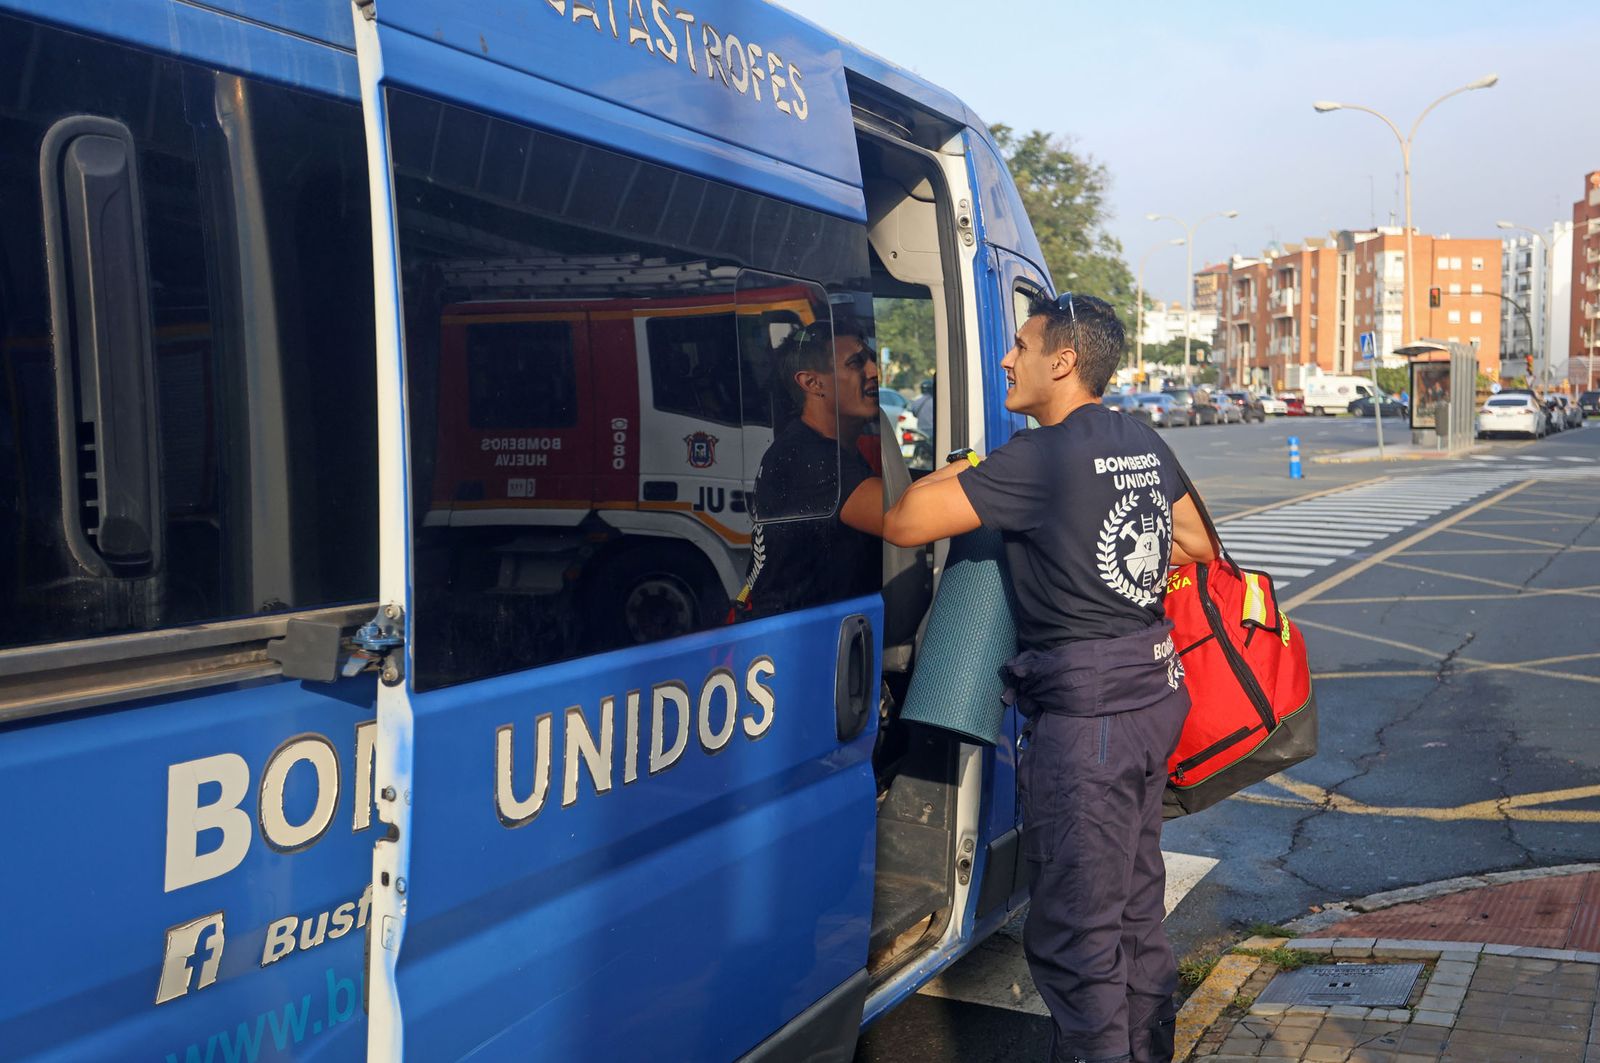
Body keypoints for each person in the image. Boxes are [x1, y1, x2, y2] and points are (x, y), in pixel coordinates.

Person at [883, 292, 1216, 1063]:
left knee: (1078, 938)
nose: (1007, 358)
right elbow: (1195, 540)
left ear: (1062, 361)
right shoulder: (1139, 437)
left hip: (1088, 722)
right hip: (1149, 696)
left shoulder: (1036, 458)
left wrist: (974, 463)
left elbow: (904, 520)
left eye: (1021, 345)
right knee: (1135, 914)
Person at [735, 317, 883, 618]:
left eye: (872, 359)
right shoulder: (809, 457)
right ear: (812, 383)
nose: (874, 372)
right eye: (856, 363)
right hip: (793, 640)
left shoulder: (823, 446)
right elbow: (903, 518)